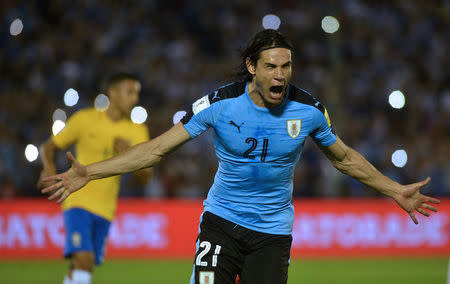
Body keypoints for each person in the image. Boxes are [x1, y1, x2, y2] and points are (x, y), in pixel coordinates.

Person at [41, 30, 440, 284]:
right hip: (221, 223)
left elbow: (345, 159)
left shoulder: (310, 111)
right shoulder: (220, 104)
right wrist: (90, 172)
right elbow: (155, 149)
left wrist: (393, 190)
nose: (280, 75)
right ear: (252, 67)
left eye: (286, 66)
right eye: (271, 66)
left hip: (272, 233)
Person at [38, 72, 152, 284]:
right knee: (85, 260)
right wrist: (49, 168)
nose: (135, 98)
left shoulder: (137, 131)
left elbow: (145, 178)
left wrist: (130, 154)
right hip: (77, 200)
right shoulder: (85, 119)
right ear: (113, 93)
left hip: (106, 209)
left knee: (81, 269)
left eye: (137, 93)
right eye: (129, 92)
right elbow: (48, 147)